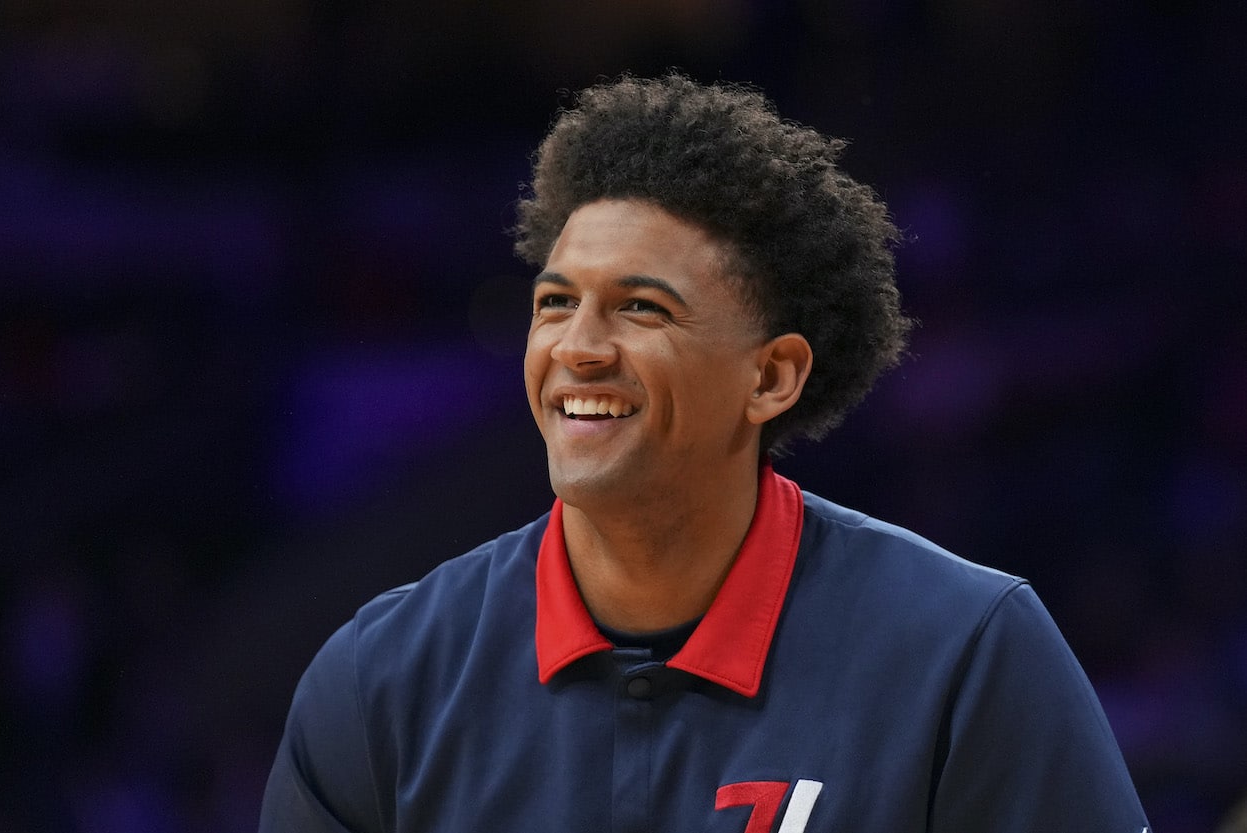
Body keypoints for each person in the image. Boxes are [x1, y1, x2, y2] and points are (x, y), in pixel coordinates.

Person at [259, 73, 1150, 833]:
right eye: (555, 302)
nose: (579, 345)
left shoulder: (968, 654)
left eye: (641, 307)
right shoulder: (381, 678)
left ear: (773, 376)